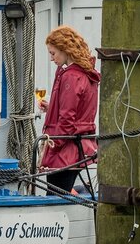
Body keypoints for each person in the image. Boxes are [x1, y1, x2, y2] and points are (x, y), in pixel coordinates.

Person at [38, 25, 101, 194]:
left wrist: (54, 144)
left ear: (65, 49)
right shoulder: (87, 74)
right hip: (81, 143)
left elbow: (67, 119)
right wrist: (52, 108)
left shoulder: (70, 76)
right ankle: (86, 193)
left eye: (53, 53)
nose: (52, 59)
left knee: (55, 196)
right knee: (62, 191)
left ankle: (84, 195)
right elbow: (79, 109)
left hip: (66, 149)